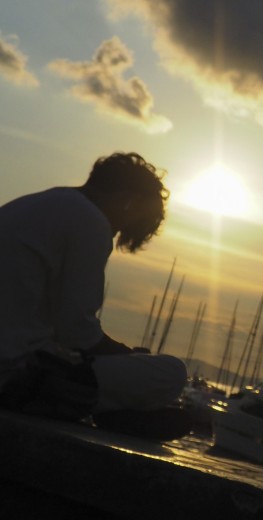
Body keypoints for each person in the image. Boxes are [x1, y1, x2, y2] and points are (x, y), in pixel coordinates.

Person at [0, 152, 187, 423]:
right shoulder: (91, 221)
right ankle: (88, 406)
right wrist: (128, 355)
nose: (115, 234)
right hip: (12, 373)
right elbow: (77, 332)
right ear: (127, 203)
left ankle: (98, 406)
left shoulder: (31, 205)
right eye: (126, 227)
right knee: (172, 372)